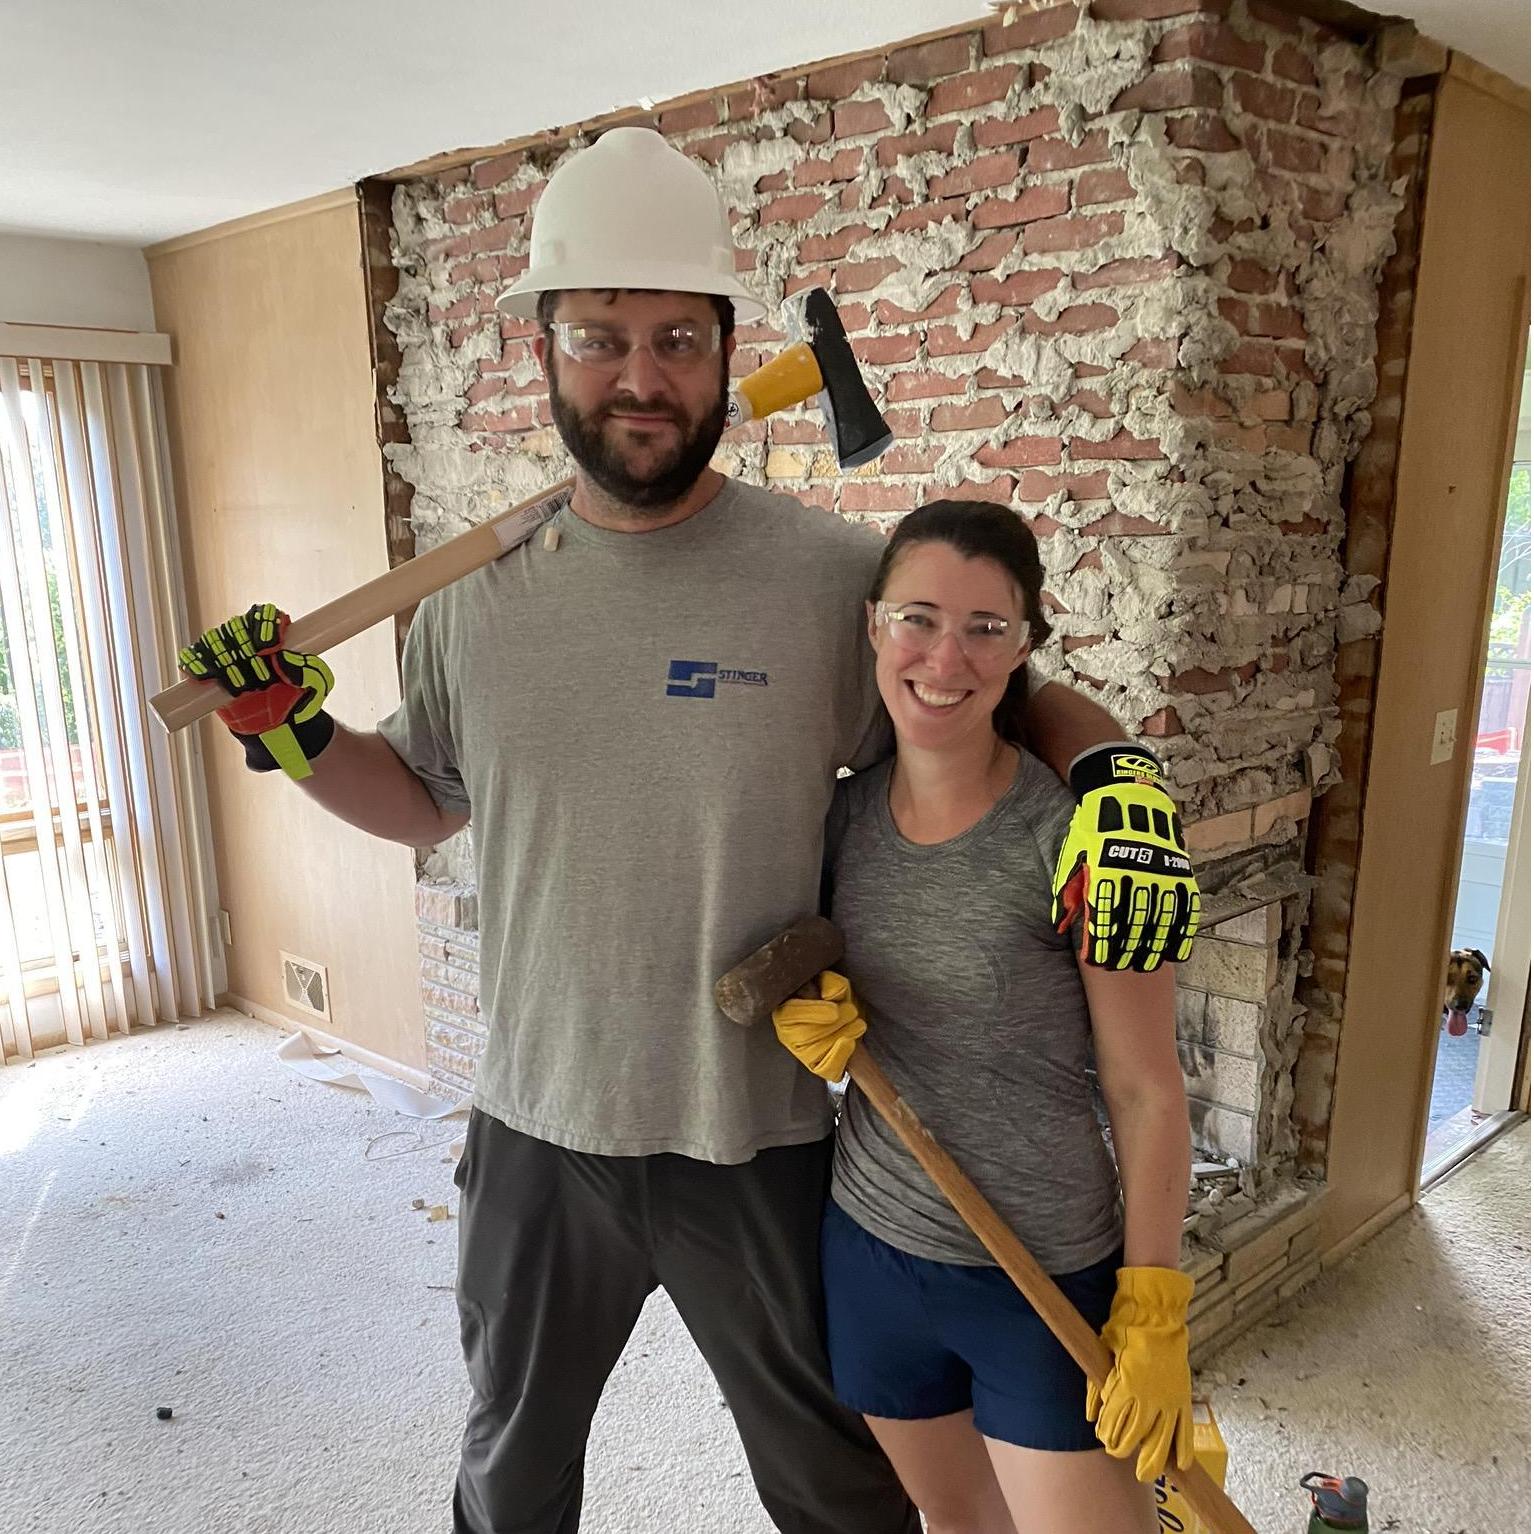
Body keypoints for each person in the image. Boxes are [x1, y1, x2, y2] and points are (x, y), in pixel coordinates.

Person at [176, 129, 1197, 1534]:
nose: (640, 376)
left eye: (675, 338)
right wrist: (283, 726)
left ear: (728, 352)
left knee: (839, 1490)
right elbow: (417, 798)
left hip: (760, 1135)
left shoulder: (830, 580)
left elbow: (996, 685)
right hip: (539, 1129)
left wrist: (1122, 781)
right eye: (601, 337)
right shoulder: (471, 603)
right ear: (545, 345)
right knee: (508, 1474)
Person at [773, 499, 1196, 1534]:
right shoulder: (840, 818)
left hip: (1042, 1273)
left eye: (984, 628)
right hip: (871, 1249)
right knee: (957, 1524)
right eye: (916, 618)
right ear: (873, 625)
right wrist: (822, 1024)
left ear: (1024, 651)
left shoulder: (1080, 841)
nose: (943, 656)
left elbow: (1146, 1087)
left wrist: (1153, 1301)